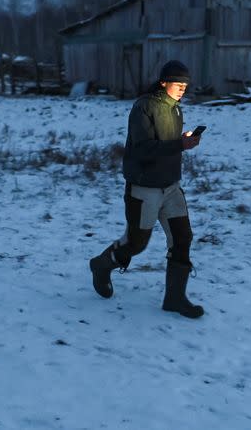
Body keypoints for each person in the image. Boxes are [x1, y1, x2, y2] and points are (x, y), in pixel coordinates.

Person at [89, 60, 204, 318]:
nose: (182, 88)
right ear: (164, 83)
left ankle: (175, 298)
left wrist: (182, 142)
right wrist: (179, 145)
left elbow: (171, 145)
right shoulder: (144, 106)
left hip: (171, 187)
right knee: (136, 244)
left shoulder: (175, 108)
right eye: (178, 84)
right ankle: (101, 265)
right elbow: (141, 149)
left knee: (182, 238)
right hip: (144, 188)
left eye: (185, 84)